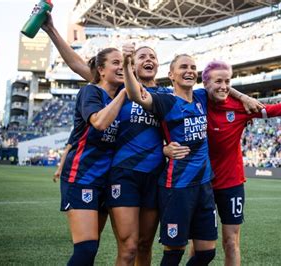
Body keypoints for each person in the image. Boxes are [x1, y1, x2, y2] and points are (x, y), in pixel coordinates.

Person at [42, 13, 263, 266]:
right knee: (128, 248)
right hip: (123, 175)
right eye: (142, 56)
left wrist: (242, 96)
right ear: (132, 65)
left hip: (155, 177)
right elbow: (83, 67)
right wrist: (52, 31)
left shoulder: (165, 95)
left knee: (145, 245)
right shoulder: (121, 89)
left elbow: (213, 89)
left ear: (161, 68)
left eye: (153, 57)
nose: (148, 59)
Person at [164, 60, 281, 266]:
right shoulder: (194, 101)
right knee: (200, 244)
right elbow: (168, 124)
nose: (223, 86)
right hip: (202, 184)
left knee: (231, 242)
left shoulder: (241, 107)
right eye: (218, 81)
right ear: (204, 84)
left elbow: (280, 108)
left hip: (231, 183)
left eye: (227, 82)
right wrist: (164, 148)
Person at [124, 53, 223, 266]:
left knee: (206, 253)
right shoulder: (166, 101)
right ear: (171, 75)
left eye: (193, 67)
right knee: (174, 252)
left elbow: (223, 87)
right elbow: (136, 95)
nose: (189, 70)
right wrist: (127, 66)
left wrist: (244, 97)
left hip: (204, 185)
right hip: (177, 186)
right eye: (183, 67)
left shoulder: (201, 97)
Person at [59, 47, 127, 265]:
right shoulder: (91, 92)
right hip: (81, 176)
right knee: (85, 248)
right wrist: (125, 93)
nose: (121, 67)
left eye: (123, 63)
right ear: (101, 69)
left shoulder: (120, 94)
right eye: (115, 62)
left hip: (105, 181)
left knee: (92, 248)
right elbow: (99, 122)